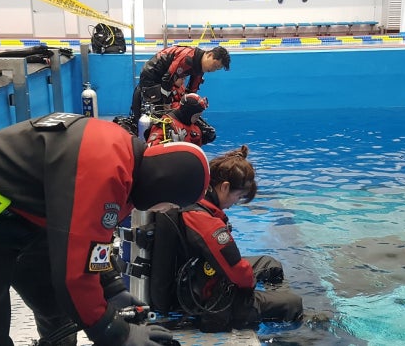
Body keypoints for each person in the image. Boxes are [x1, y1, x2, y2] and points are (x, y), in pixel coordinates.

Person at [0, 112, 210, 346]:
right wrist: (115, 333)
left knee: (63, 313)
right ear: (165, 189)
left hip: (20, 220)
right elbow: (75, 278)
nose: (161, 211)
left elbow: (87, 240)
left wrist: (112, 289)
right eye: (168, 206)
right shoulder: (106, 170)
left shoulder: (124, 160)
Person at [147, 145, 303, 333]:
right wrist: (249, 292)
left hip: (198, 278)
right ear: (225, 187)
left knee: (271, 265)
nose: (235, 203)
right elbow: (238, 271)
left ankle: (266, 301)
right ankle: (258, 310)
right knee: (294, 304)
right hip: (206, 300)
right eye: (238, 197)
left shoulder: (194, 198)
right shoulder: (203, 220)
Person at [129, 45, 230, 130]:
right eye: (215, 66)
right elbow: (167, 79)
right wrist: (167, 103)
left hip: (165, 77)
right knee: (161, 112)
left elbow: (192, 90)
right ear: (209, 55)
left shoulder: (200, 68)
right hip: (152, 74)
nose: (213, 70)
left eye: (217, 69)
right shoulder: (188, 57)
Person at [146, 93, 214, 147]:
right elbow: (150, 151)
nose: (198, 119)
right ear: (188, 113)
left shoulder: (195, 125)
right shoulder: (165, 125)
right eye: (196, 116)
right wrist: (173, 146)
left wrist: (207, 136)